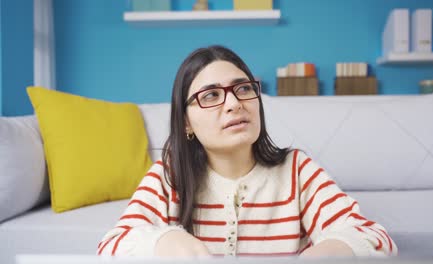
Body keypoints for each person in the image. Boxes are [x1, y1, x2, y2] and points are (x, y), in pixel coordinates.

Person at [97, 45, 397, 257]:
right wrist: (167, 242)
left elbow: (375, 238)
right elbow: (113, 244)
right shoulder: (169, 175)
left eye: (243, 89)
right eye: (211, 95)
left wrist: (328, 253)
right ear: (186, 121)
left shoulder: (297, 169)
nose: (233, 104)